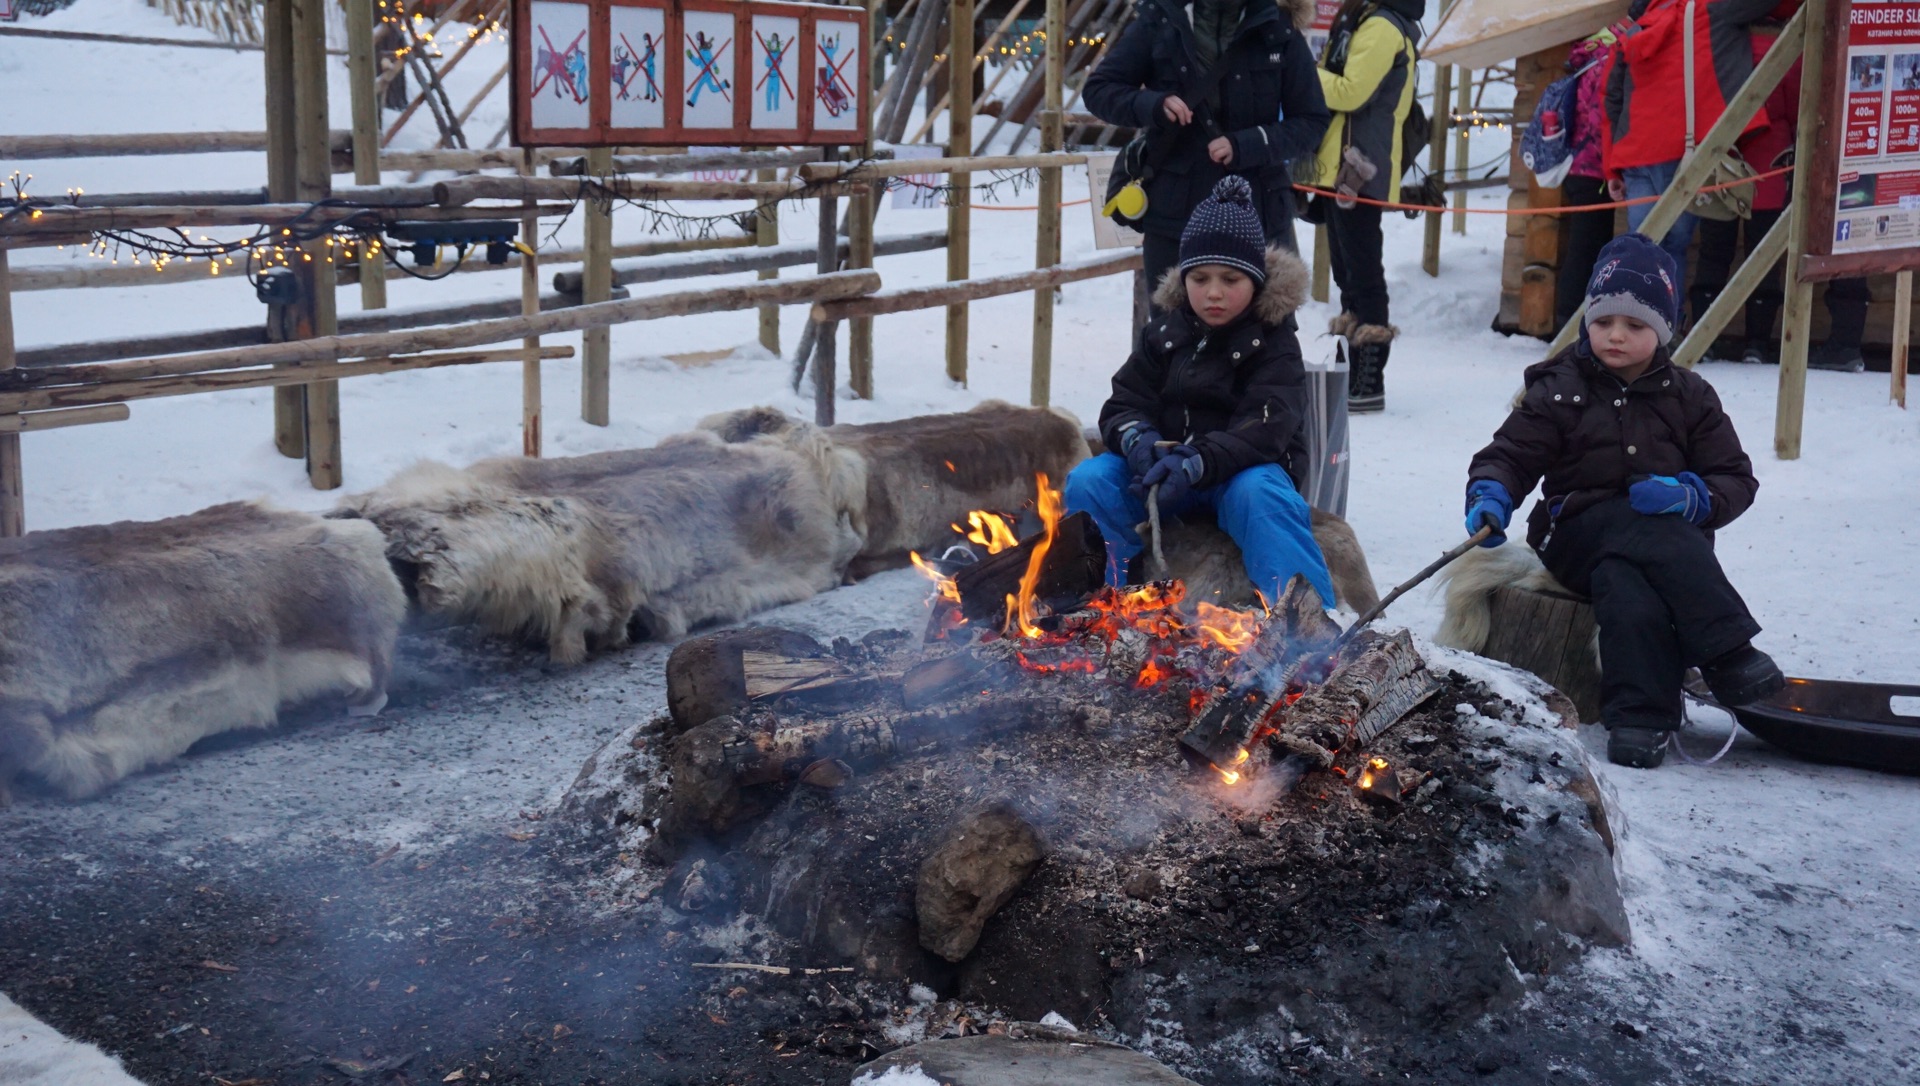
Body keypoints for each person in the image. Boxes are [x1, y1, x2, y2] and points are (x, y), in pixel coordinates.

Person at [1461, 234, 1785, 768]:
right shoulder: (1560, 388)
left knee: (1628, 585)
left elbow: (1735, 478)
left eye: (1635, 326)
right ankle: (1729, 653)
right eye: (1603, 321)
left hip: (1660, 548)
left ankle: (1640, 718)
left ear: (1662, 331)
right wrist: (1491, 492)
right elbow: (1511, 453)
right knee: (1640, 532)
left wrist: (1693, 499)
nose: (1615, 335)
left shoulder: (1690, 396)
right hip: (1573, 534)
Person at [1065, 176, 1337, 608]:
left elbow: (1266, 426)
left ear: (1254, 281)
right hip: (1165, 471)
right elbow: (1124, 403)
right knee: (1091, 480)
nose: (1213, 292)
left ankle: (1304, 622)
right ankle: (1099, 598)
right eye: (1200, 277)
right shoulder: (1164, 334)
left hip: (1239, 475)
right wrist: (1142, 445)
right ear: (1183, 279)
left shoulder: (1274, 342)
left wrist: (1198, 462)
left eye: (1230, 279)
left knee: (1262, 495)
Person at [1082, 0, 1329, 297]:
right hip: (1175, 216)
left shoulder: (1277, 26)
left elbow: (1311, 120)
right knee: (1172, 335)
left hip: (1259, 211)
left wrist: (1249, 144)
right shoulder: (1160, 19)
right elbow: (1099, 89)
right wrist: (1153, 104)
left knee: (1265, 335)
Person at [1690, 14, 1873, 370]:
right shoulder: (1789, 54)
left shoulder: (1714, 44)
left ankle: (1704, 337)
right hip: (1769, 170)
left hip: (1720, 165)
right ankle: (1756, 344)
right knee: (1762, 263)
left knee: (1713, 255)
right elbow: (1795, 113)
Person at [1603, 0, 1781, 291]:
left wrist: (1612, 168)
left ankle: (1637, 327)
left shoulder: (1634, 28)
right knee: (1672, 247)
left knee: (1639, 248)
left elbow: (1610, 100)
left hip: (1635, 157)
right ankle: (1662, 330)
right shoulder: (1711, 11)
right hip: (1682, 153)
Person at [1310, 0, 1424, 413]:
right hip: (1348, 166)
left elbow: (1351, 92)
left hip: (1358, 167)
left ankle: (1368, 377)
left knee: (1362, 273)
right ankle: (1352, 369)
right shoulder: (1372, 21)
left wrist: (1305, 73)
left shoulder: (1380, 26)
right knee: (1349, 273)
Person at [1554, 27, 1628, 333]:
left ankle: (1572, 321)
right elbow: (1602, 121)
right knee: (1587, 250)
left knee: (1586, 248)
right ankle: (1569, 323)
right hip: (1594, 171)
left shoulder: (1586, 57)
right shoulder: (1603, 62)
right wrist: (1617, 163)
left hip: (1581, 169)